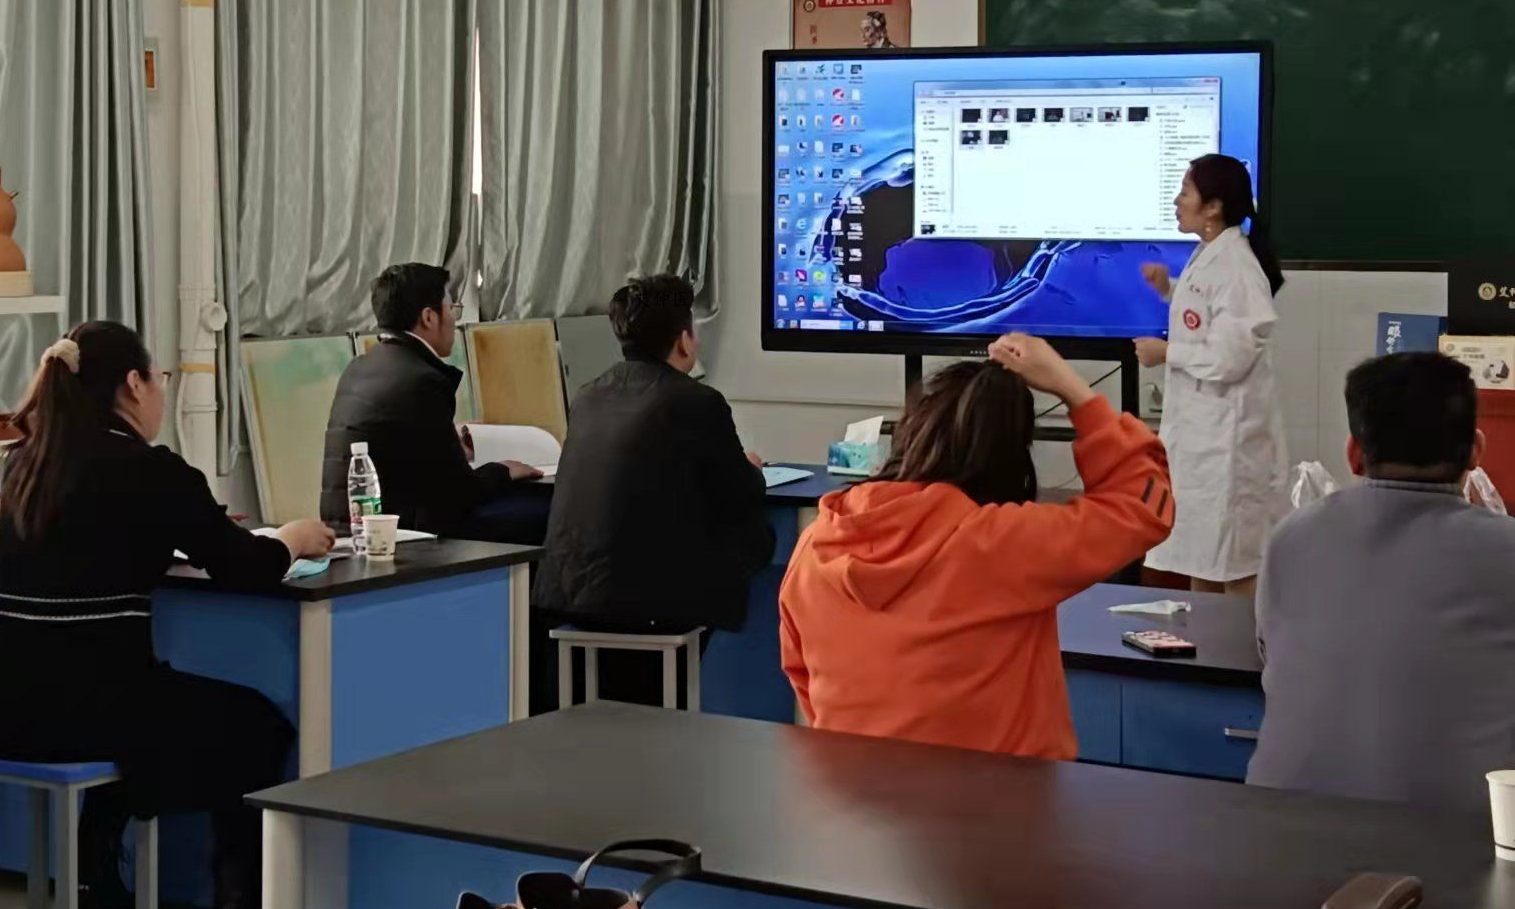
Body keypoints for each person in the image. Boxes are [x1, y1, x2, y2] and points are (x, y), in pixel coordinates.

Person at [0, 322, 334, 909]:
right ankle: (238, 902)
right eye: (158, 378)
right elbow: (244, 564)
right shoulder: (150, 470)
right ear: (134, 384)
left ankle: (98, 872)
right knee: (256, 728)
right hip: (86, 710)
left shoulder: (27, 461)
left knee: (153, 715)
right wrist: (292, 539)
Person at [780, 334, 1173, 759]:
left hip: (854, 791)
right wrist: (1073, 389)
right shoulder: (999, 544)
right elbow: (1144, 507)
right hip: (1002, 797)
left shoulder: (815, 545)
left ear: (913, 431)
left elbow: (802, 676)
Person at [1249, 352, 1515, 811]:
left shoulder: (1292, 535)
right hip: (1453, 842)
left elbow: (1270, 653)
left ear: (1354, 454)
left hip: (1277, 827)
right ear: (1476, 451)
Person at [534, 274, 775, 707]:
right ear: (684, 341)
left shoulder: (588, 396)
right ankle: (746, 693)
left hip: (568, 590)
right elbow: (741, 493)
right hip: (652, 598)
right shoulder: (698, 401)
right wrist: (752, 469)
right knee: (758, 536)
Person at [1134, 154, 1286, 596]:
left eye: (1185, 192)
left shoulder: (1237, 267)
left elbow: (1230, 356)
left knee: (1234, 560)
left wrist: (1167, 353)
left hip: (1227, 443)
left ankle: (1242, 641)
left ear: (1213, 207)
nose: (1176, 201)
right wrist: (1168, 289)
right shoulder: (1211, 253)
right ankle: (1207, 636)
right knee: (1204, 554)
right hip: (1203, 438)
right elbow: (1206, 313)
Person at [319, 263, 546, 541]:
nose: (454, 321)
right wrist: (503, 470)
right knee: (548, 512)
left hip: (349, 528)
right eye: (452, 309)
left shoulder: (359, 368)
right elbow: (459, 492)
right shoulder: (420, 379)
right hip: (402, 535)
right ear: (429, 317)